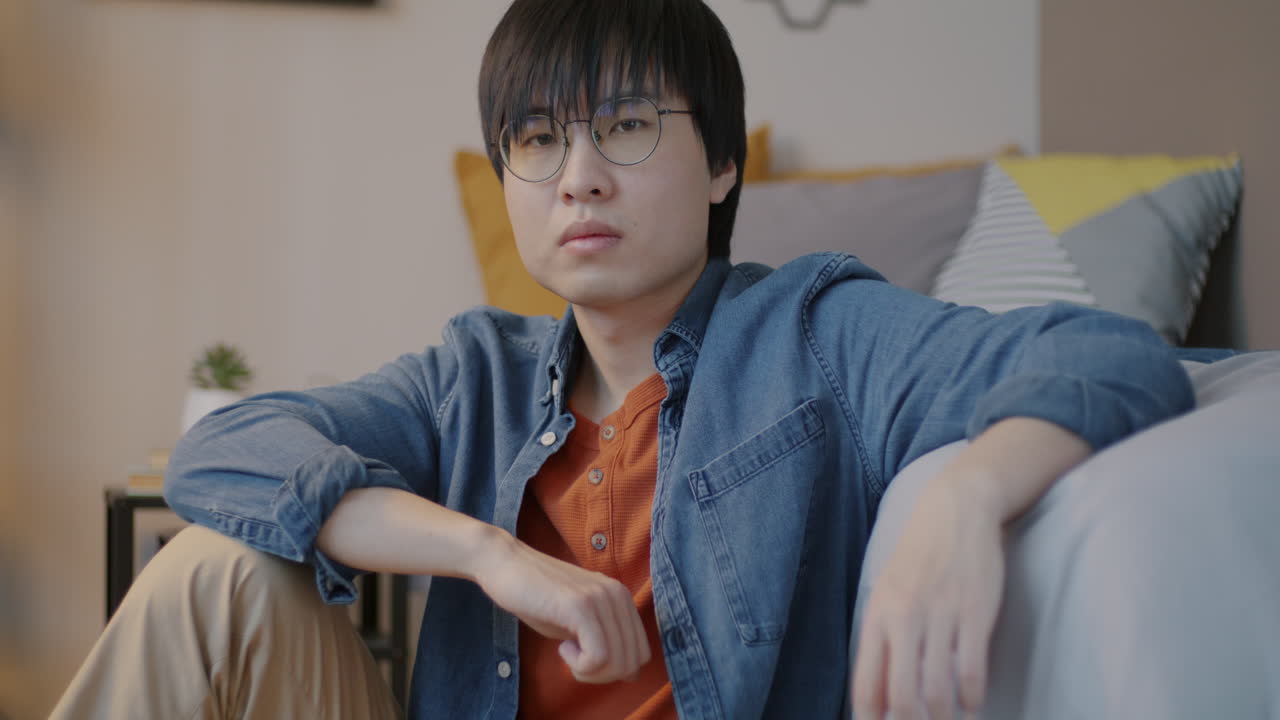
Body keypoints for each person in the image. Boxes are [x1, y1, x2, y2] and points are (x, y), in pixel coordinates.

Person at [52, 1, 1194, 718]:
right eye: (538, 139)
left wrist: (966, 500)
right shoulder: (475, 376)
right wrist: (491, 555)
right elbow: (225, 452)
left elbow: (1108, 354)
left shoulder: (814, 331)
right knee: (217, 574)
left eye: (629, 126)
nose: (579, 177)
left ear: (722, 164)